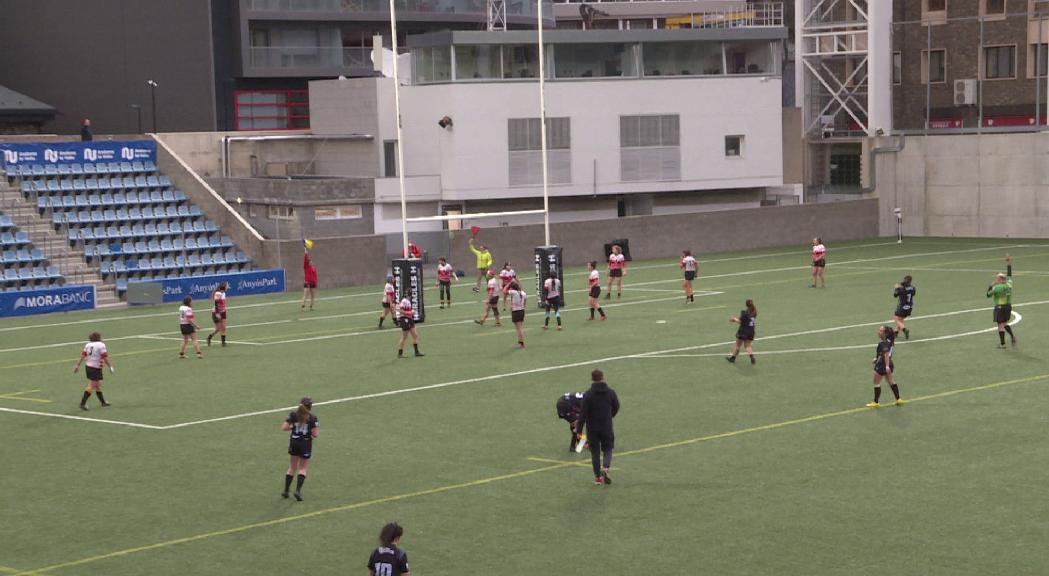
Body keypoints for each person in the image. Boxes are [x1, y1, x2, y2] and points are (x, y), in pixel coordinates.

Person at [576, 369, 619, 485]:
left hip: (592, 428)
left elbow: (582, 414)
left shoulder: (588, 395)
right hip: (606, 426)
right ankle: (605, 468)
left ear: (592, 379)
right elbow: (616, 407)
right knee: (608, 449)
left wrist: (579, 430)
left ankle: (598, 478)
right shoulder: (611, 393)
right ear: (603, 377)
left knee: (595, 452)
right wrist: (610, 416)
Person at [281, 397, 318, 501]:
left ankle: (286, 490)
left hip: (294, 442)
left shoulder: (293, 415)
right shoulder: (312, 418)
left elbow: (284, 427)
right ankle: (297, 491)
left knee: (292, 467)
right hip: (305, 444)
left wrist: (293, 427)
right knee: (303, 468)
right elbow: (315, 434)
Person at [73, 331, 113, 410]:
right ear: (98, 338)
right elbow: (105, 357)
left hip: (88, 367)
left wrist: (77, 365)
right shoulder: (101, 345)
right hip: (95, 368)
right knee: (92, 386)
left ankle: (103, 402)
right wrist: (110, 366)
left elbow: (82, 356)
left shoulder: (88, 345)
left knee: (97, 385)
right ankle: (82, 404)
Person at [866, 326, 902, 407]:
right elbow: (887, 353)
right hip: (889, 362)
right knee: (891, 381)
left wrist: (886, 366)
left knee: (876, 382)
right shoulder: (890, 340)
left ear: (885, 333)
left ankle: (876, 402)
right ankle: (898, 399)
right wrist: (877, 358)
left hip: (882, 364)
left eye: (881, 331)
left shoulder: (883, 343)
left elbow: (886, 354)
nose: (879, 332)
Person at [987, 255, 1016, 349]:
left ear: (1000, 279)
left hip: (999, 307)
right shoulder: (1009, 285)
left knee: (1000, 325)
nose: (996, 279)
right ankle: (1012, 336)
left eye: (997, 278)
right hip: (1008, 306)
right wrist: (1009, 264)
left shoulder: (996, 288)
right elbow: (1010, 275)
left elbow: (988, 295)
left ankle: (1002, 344)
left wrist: (990, 286)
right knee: (1005, 323)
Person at [726, 299, 757, 365]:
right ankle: (751, 356)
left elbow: (740, 321)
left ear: (746, 305)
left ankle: (733, 358)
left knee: (738, 345)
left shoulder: (745, 313)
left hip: (743, 331)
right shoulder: (755, 312)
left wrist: (733, 319)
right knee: (747, 345)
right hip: (751, 331)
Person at [206, 282, 229, 347]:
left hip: (223, 312)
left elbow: (223, 303)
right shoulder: (218, 293)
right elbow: (216, 303)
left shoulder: (224, 293)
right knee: (218, 328)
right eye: (227, 286)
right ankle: (209, 337)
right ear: (223, 287)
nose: (227, 287)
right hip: (216, 312)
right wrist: (217, 313)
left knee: (223, 327)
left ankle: (223, 342)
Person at [508, 280, 527, 348]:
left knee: (519, 329)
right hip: (521, 311)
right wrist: (523, 307)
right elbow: (525, 301)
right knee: (520, 327)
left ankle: (521, 343)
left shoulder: (513, 292)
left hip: (516, 311)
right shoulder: (523, 293)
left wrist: (508, 284)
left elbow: (504, 291)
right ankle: (520, 342)